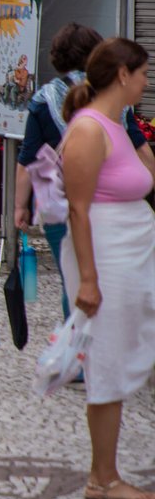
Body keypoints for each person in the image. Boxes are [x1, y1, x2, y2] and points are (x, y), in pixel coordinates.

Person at [57, 37, 155, 499]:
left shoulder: (115, 125)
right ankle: (104, 477)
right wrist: (90, 280)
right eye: (141, 73)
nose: (145, 81)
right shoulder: (89, 129)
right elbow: (78, 209)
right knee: (110, 360)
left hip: (131, 251)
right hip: (109, 257)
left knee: (124, 354)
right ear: (122, 75)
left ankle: (106, 474)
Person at [15, 23, 149, 318]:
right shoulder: (114, 96)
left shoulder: (42, 98)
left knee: (72, 282)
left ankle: (74, 350)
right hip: (111, 206)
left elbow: (28, 159)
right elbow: (137, 143)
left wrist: (19, 206)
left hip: (60, 204)